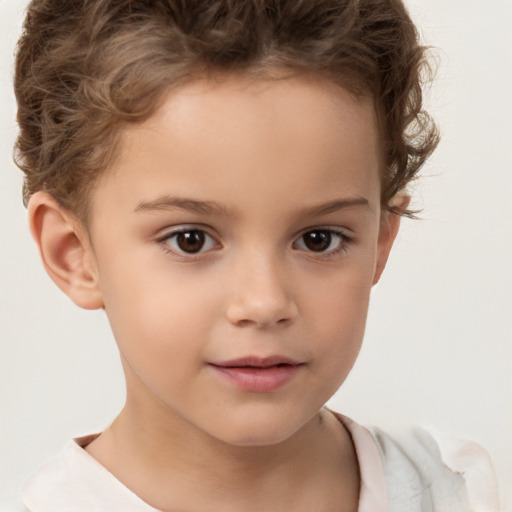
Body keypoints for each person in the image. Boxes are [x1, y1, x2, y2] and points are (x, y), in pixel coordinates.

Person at [13, 0, 499, 510]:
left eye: (319, 239)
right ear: (73, 253)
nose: (264, 303)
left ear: (380, 241)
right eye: (191, 240)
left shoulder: (457, 492)